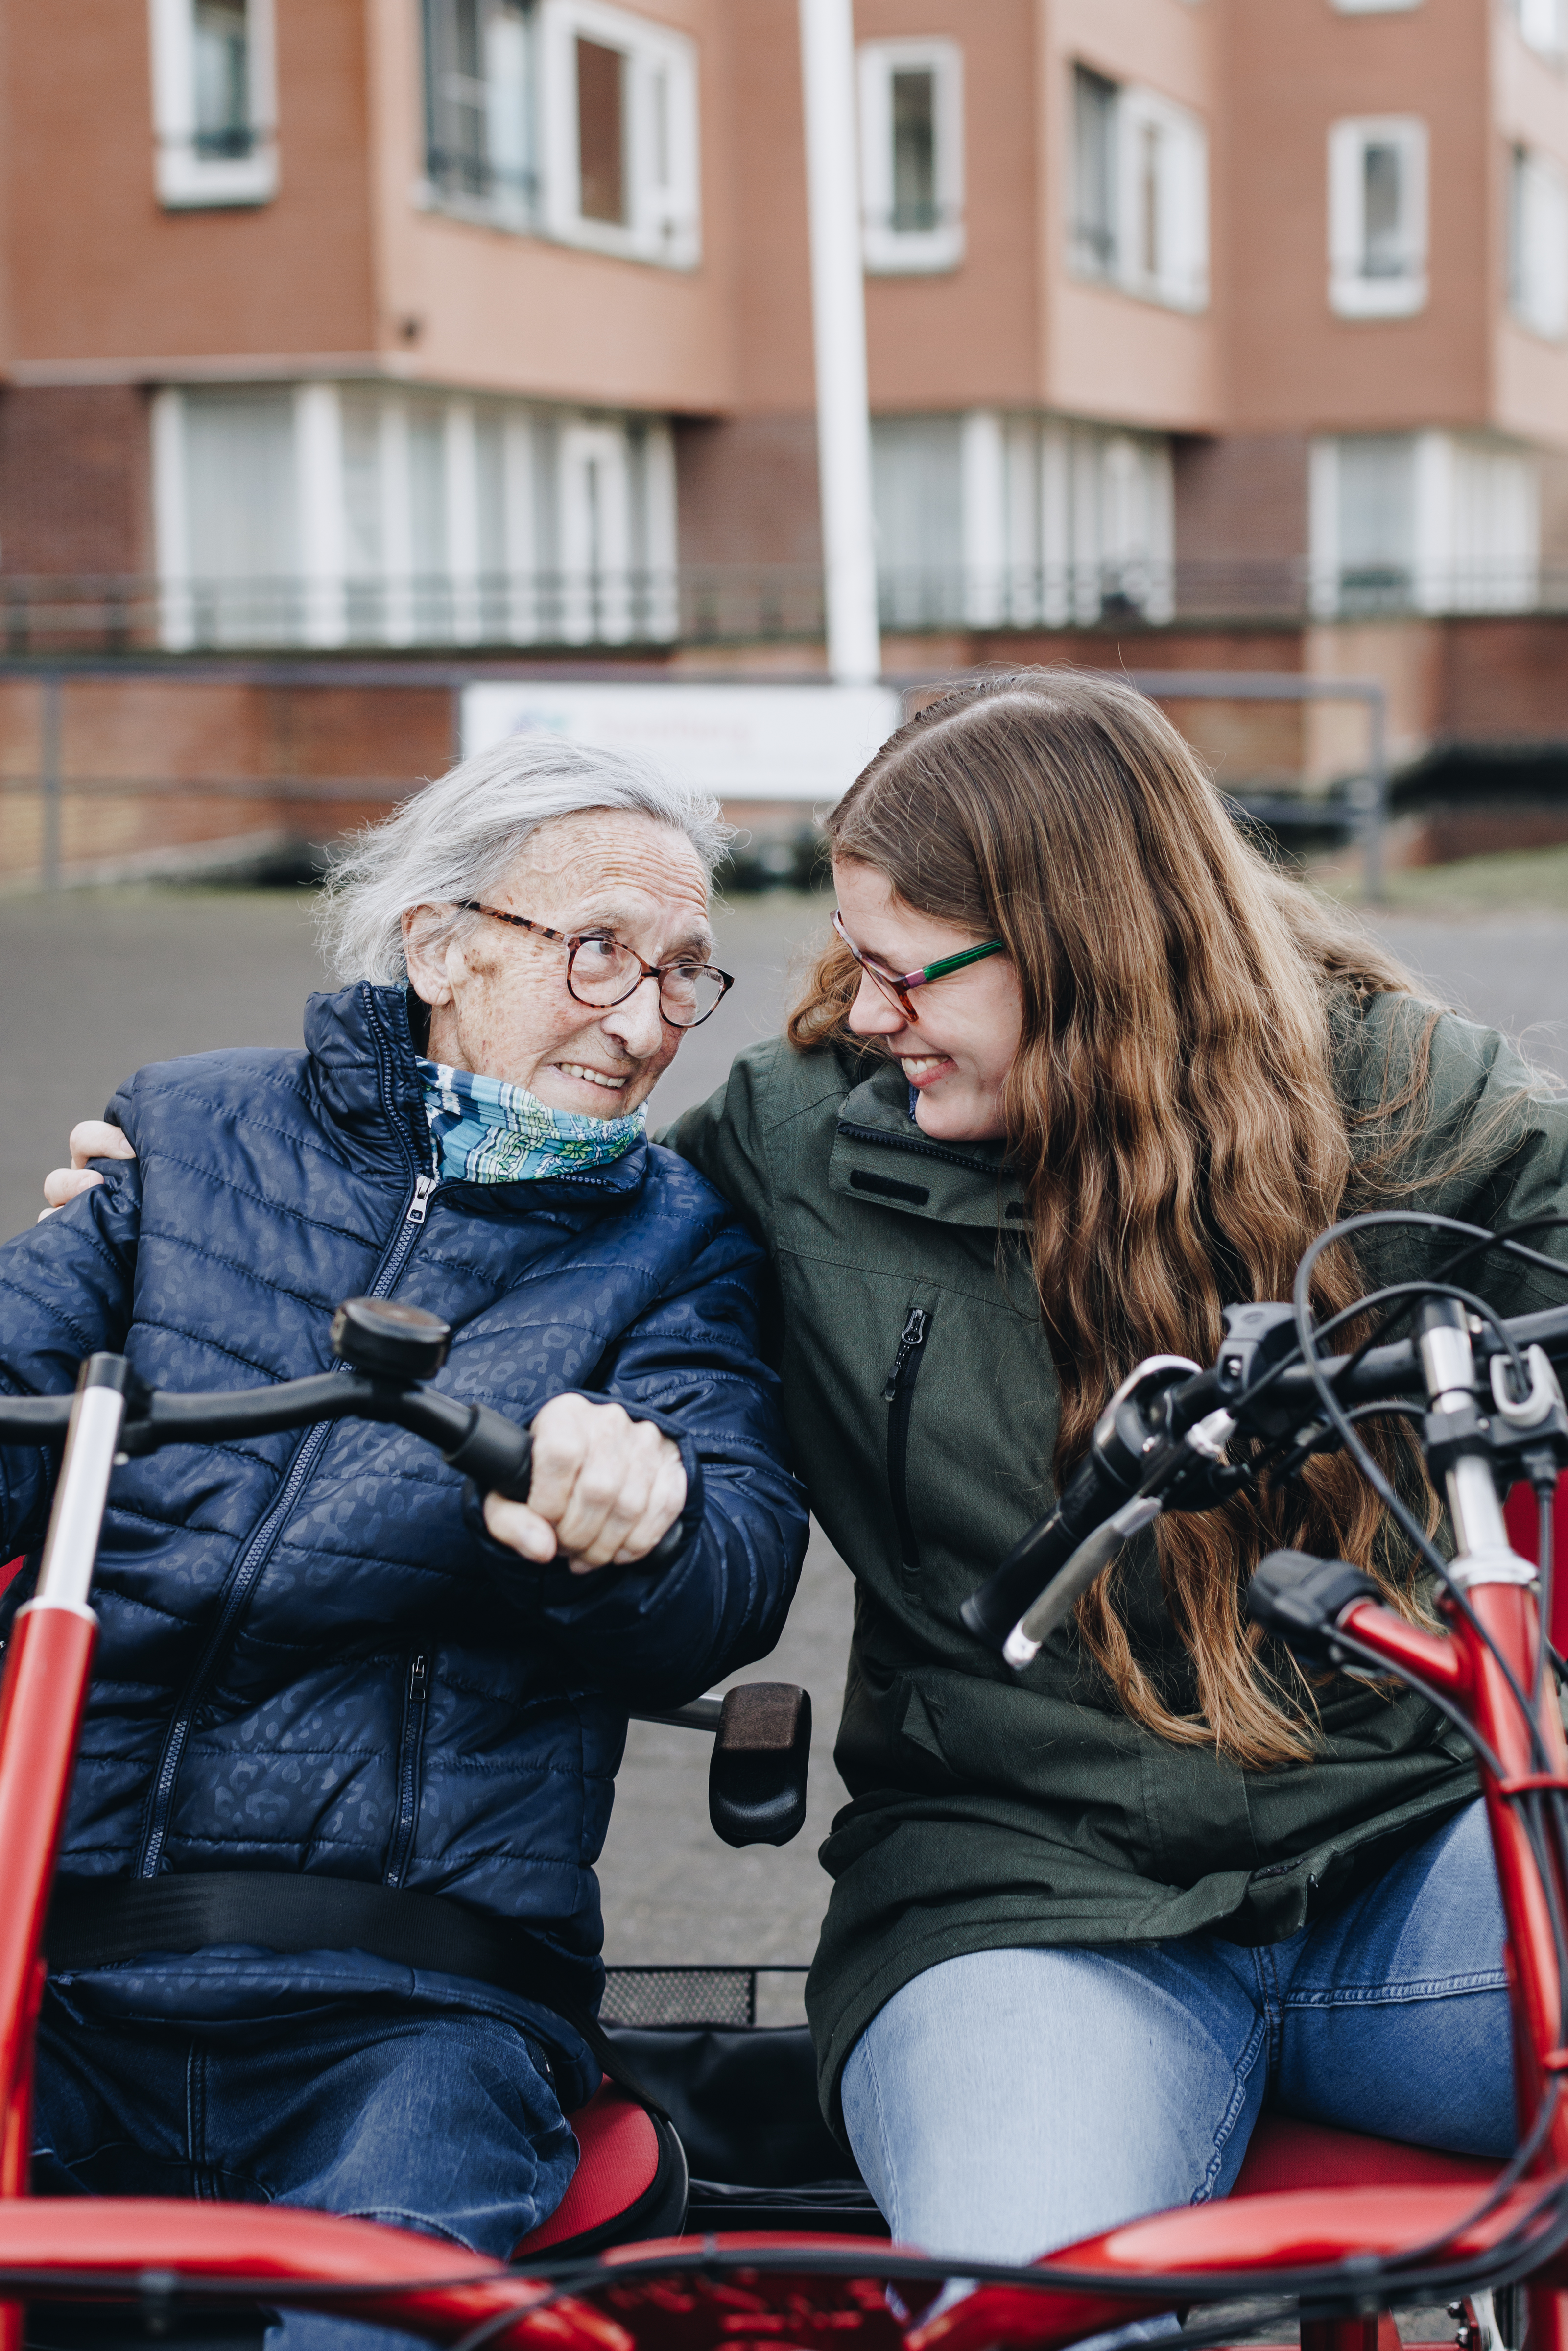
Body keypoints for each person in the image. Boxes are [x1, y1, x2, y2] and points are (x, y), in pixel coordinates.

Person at [48, 671, 1568, 2275]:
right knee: (1016, 2297)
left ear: (1081, 957)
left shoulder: (1408, 1105)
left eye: (905, 975)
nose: (858, 1013)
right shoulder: (797, 1143)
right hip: (1023, 1898)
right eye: (854, 962)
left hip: (1411, 1856)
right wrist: (196, 1203)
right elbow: (560, 1254)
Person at [5, 735, 807, 2340]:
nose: (646, 1022)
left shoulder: (674, 1244)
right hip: (56, 1951)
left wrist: (623, 1515)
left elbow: (730, 1563)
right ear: (444, 945)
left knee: (380, 2316)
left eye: (684, 977)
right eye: (599, 954)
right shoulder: (180, 1135)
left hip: (415, 1994)